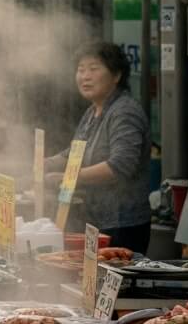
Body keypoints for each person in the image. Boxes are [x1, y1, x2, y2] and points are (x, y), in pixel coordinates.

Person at [46, 42, 152, 254]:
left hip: (121, 224)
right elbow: (74, 153)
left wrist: (68, 178)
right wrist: (44, 164)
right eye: (81, 69)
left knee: (111, 275)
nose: (85, 76)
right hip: (95, 220)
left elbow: (119, 166)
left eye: (93, 69)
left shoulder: (124, 112)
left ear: (116, 75)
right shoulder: (93, 111)